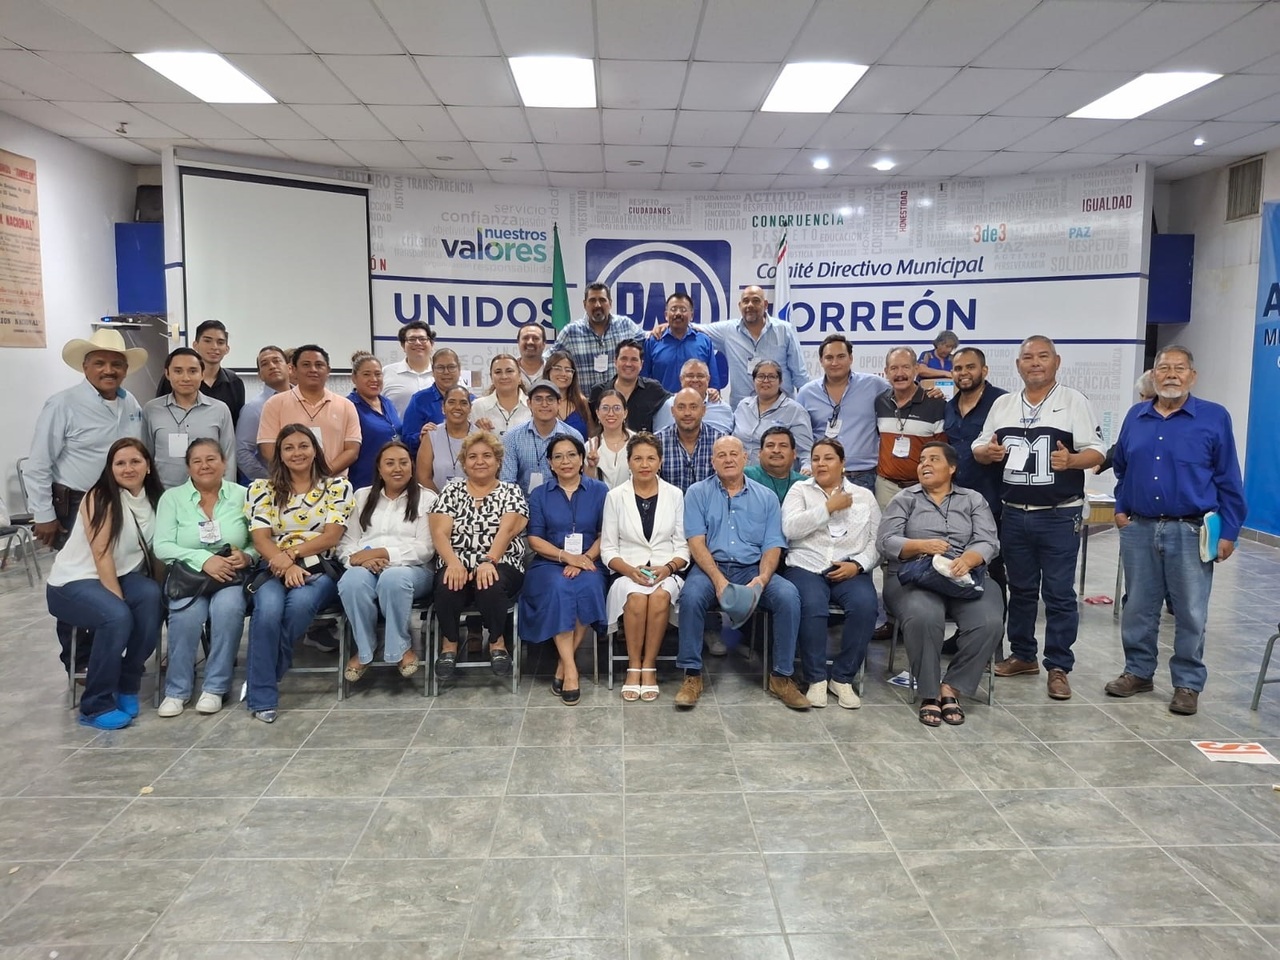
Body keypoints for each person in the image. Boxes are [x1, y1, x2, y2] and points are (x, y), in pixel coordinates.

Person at [1106, 345, 1246, 716]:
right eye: (1164, 367)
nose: (1171, 374)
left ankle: (1187, 683)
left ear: (1192, 376)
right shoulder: (1136, 416)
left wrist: (1229, 532)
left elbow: (1228, 478)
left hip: (1191, 529)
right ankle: (1138, 672)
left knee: (1190, 611)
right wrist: (1121, 509)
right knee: (1138, 607)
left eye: (1179, 368)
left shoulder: (1214, 417)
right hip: (1140, 528)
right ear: (1153, 375)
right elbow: (1122, 467)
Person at [972, 335, 1105, 701]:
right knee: (1021, 589)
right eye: (1027, 357)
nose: (1034, 363)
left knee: (1059, 593)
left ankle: (1059, 666)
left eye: (1042, 356)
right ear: (1018, 365)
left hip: (1059, 515)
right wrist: (988, 452)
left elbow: (1097, 451)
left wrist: (1072, 460)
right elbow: (979, 445)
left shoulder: (1074, 401)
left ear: (1056, 362)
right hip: (1014, 514)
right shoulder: (1003, 404)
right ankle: (1023, 655)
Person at [29, 328, 147, 676]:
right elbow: (39, 464)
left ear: (125, 369)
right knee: (80, 580)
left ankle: (107, 653)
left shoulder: (131, 403)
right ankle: (79, 661)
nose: (108, 370)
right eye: (100, 363)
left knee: (117, 571)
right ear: (85, 366)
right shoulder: (62, 404)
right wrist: (44, 514)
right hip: (75, 503)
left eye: (116, 364)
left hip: (121, 502)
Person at [675, 436, 810, 710]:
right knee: (690, 598)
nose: (728, 459)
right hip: (710, 567)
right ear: (712, 461)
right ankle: (692, 675)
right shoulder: (697, 493)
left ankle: (781, 677)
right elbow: (696, 543)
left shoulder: (766, 497)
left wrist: (763, 578)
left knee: (788, 596)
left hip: (752, 568)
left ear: (745, 458)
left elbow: (773, 544)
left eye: (733, 454)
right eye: (721, 455)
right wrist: (718, 579)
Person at [877, 442, 1004, 726]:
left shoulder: (973, 499)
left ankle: (952, 687)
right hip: (915, 577)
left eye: (933, 459)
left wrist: (969, 559)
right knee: (925, 616)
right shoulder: (905, 499)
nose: (925, 464)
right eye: (922, 460)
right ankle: (930, 692)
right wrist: (920, 545)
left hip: (965, 576)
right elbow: (885, 541)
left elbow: (988, 541)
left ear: (952, 468)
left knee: (989, 622)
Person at [45, 438, 163, 730]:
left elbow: (156, 552)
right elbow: (101, 553)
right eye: (119, 463)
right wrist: (118, 601)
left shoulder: (155, 498)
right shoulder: (100, 496)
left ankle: (127, 683)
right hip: (73, 581)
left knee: (152, 597)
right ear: (110, 469)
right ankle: (95, 705)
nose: (128, 468)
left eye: (135, 461)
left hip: (122, 574)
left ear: (148, 466)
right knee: (116, 616)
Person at [244, 424, 355, 723]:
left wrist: (292, 555)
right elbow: (260, 539)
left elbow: (331, 536)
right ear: (279, 454)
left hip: (320, 568)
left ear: (315, 450)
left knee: (299, 606)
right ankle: (263, 696)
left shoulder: (337, 487)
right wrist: (283, 562)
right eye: (289, 447)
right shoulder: (262, 489)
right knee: (267, 612)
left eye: (303, 446)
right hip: (273, 567)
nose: (297, 453)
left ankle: (262, 682)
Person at [152, 439, 254, 717]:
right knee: (185, 617)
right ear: (188, 468)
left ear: (224, 463)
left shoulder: (243, 495)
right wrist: (203, 559)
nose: (204, 466)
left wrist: (247, 556)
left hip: (231, 575)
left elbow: (258, 539)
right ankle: (177, 691)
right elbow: (162, 546)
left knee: (228, 610)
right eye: (197, 461)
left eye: (211, 459)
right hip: (188, 576)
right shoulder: (172, 499)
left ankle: (215, 688)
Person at [782, 438, 880, 708]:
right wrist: (828, 508)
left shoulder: (864, 496)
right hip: (806, 564)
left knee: (865, 606)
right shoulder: (800, 490)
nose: (821, 464)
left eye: (828, 458)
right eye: (816, 459)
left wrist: (858, 565)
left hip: (850, 567)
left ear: (842, 463)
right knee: (812, 605)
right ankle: (816, 679)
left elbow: (876, 541)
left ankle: (842, 678)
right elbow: (790, 528)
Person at [429, 431, 528, 680]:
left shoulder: (511, 491)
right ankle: (449, 644)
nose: (480, 461)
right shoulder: (451, 491)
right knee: (447, 584)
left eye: (487, 455)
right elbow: (439, 532)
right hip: (456, 560)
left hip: (502, 560)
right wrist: (453, 563)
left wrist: (488, 561)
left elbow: (507, 530)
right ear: (464, 463)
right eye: (472, 456)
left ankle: (497, 642)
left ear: (498, 461)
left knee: (490, 583)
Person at [520, 434, 609, 705]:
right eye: (558, 457)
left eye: (571, 455)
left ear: (582, 459)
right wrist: (567, 557)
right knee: (560, 587)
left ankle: (563, 664)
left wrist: (584, 559)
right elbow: (534, 539)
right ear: (550, 463)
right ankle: (571, 669)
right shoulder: (540, 494)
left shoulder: (600, 491)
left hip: (590, 560)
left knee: (588, 586)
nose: (565, 461)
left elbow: (606, 534)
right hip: (550, 562)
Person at [338, 440, 437, 682]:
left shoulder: (427, 498)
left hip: (414, 569)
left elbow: (426, 549)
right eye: (390, 463)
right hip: (366, 566)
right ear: (379, 469)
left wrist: (383, 553)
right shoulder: (361, 497)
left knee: (393, 578)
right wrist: (360, 561)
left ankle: (400, 648)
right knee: (351, 581)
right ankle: (365, 648)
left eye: (403, 463)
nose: (397, 468)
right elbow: (347, 543)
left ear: (412, 466)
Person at [601, 432, 689, 702]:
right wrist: (630, 571)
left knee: (660, 597)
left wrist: (668, 568)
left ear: (660, 462)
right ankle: (633, 666)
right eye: (638, 458)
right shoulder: (615, 496)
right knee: (637, 598)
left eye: (651, 458)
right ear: (628, 462)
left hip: (666, 570)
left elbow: (683, 547)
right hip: (627, 570)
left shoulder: (675, 495)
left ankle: (649, 667)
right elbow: (608, 549)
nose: (644, 464)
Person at [690, 285, 808, 403]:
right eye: (746, 301)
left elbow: (800, 376)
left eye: (756, 301)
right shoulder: (727, 331)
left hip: (782, 407)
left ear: (765, 305)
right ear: (740, 305)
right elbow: (696, 328)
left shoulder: (785, 330)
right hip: (742, 409)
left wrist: (806, 406)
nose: (750, 305)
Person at [795, 334, 884, 491]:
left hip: (864, 475)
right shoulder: (806, 393)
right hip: (823, 474)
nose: (835, 363)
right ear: (821, 361)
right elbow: (800, 435)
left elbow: (903, 393)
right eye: (829, 358)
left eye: (841, 356)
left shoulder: (875, 385)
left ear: (851, 358)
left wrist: (928, 392)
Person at [258, 345, 361, 477]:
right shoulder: (274, 404)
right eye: (306, 365)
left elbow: (352, 450)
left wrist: (322, 474)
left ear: (328, 370)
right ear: (293, 370)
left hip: (334, 483)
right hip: (290, 483)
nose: (313, 369)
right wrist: (300, 477)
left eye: (319, 365)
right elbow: (268, 448)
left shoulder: (346, 405)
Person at [143, 347, 236, 489]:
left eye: (193, 371)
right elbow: (145, 456)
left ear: (202, 374)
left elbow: (228, 456)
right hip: (164, 492)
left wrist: (228, 494)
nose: (186, 378)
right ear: (167, 374)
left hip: (209, 492)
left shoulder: (220, 409)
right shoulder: (151, 410)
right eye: (178, 371)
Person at [874, 346, 948, 510]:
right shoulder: (880, 402)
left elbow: (942, 452)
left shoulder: (935, 403)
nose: (899, 373)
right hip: (885, 487)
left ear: (916, 369)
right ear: (886, 372)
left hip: (923, 487)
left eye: (906, 367)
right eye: (894, 368)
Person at [552, 283, 643, 394]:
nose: (597, 305)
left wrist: (660, 329)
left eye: (602, 300)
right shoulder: (570, 332)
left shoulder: (625, 325)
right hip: (584, 402)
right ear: (584, 304)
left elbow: (649, 339)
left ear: (610, 303)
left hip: (618, 403)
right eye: (592, 300)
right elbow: (548, 359)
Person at [500, 380, 584, 493]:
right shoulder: (512, 437)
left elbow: (579, 479)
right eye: (538, 399)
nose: (544, 404)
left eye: (550, 399)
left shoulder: (573, 436)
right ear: (529, 403)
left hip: (564, 500)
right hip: (523, 502)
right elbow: (507, 483)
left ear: (559, 403)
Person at [157, 319, 246, 424]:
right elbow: (160, 413)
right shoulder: (175, 379)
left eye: (220, 342)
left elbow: (236, 423)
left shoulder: (234, 382)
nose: (214, 347)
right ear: (195, 345)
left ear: (227, 349)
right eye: (207, 341)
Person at [732, 359, 813, 469]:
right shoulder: (743, 406)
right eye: (761, 376)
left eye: (771, 377)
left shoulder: (795, 411)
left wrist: (807, 469)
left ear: (780, 382)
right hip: (741, 474)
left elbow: (806, 452)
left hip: (776, 474)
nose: (766, 381)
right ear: (753, 381)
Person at [641, 291, 723, 393]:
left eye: (683, 310)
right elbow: (644, 380)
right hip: (661, 402)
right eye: (673, 309)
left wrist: (714, 393)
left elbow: (713, 383)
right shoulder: (653, 341)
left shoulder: (704, 341)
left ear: (691, 315)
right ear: (666, 315)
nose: (678, 313)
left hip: (696, 402)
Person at [346, 351, 403, 490]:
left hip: (392, 482)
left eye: (378, 374)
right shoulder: (348, 406)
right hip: (363, 482)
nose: (374, 379)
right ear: (354, 378)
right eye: (366, 374)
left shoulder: (388, 403)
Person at [401, 348, 471, 459]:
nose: (446, 372)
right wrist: (421, 436)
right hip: (431, 465)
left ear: (459, 370)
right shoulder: (419, 400)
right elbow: (406, 439)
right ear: (432, 372)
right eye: (440, 368)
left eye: (451, 367)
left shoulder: (471, 400)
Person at [589, 339, 668, 432]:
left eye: (634, 359)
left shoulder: (653, 389)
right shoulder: (598, 391)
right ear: (615, 361)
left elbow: (674, 401)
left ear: (641, 364)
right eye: (624, 358)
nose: (628, 364)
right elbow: (592, 426)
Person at [656, 388, 727, 491]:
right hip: (670, 501)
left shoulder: (720, 440)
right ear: (672, 411)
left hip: (711, 501)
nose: (687, 413)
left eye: (693, 407)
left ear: (703, 411)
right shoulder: (657, 442)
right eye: (681, 407)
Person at [236, 345, 289, 482]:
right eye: (265, 364)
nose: (272, 366)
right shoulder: (254, 408)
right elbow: (242, 452)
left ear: (289, 367)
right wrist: (270, 480)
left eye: (276, 361)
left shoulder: (304, 400)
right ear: (260, 375)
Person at [1096, 371, 1156, 475]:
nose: (1144, 401)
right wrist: (1100, 462)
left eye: (1151, 397)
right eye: (1142, 395)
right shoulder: (1135, 414)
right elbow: (1121, 445)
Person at [417, 385, 474, 493]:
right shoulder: (431, 435)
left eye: (463, 403)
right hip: (436, 499)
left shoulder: (480, 436)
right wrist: (441, 500)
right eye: (451, 402)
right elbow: (423, 477)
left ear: (470, 408)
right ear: (443, 407)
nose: (457, 407)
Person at [651, 359, 733, 434]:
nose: (695, 380)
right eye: (690, 376)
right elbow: (658, 439)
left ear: (708, 379)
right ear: (681, 379)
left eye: (700, 376)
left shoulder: (723, 408)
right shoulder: (667, 406)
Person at [381, 321, 436, 416]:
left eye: (423, 339)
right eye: (412, 339)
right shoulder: (386, 373)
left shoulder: (445, 374)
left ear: (431, 344)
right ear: (403, 345)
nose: (418, 343)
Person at [471, 353, 530, 436]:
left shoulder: (533, 406)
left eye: (509, 371)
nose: (504, 376)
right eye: (498, 372)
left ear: (519, 376)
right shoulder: (478, 406)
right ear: (491, 377)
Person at [585, 389, 633, 488]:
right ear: (597, 413)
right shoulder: (590, 446)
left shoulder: (637, 442)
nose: (611, 413)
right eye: (605, 408)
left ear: (625, 413)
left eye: (617, 408)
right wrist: (591, 467)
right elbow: (587, 487)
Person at [746, 426, 806, 503]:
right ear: (760, 453)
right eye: (770, 445)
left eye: (783, 446)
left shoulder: (804, 483)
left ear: (794, 454)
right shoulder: (744, 476)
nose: (776, 450)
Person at [544, 350, 593, 436]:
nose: (563, 374)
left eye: (568, 370)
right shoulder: (540, 402)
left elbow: (592, 433)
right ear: (548, 371)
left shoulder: (581, 401)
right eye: (557, 369)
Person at [516, 323, 549, 391]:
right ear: (518, 343)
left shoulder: (552, 370)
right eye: (525, 338)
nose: (530, 342)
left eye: (535, 338)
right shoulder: (508, 371)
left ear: (544, 344)